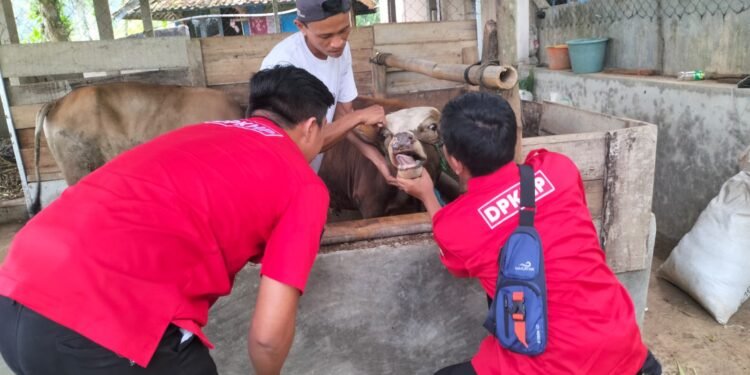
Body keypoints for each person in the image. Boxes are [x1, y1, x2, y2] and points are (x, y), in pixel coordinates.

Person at [0, 66, 336, 375]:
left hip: (14, 293)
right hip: (94, 328)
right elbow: (268, 338)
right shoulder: (303, 184)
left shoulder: (203, 132)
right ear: (310, 126)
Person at [396, 92, 662, 375]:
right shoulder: (559, 169)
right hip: (625, 349)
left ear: (454, 161)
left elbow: (458, 265)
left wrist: (427, 196)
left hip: (553, 366)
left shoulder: (456, 226)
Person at [261, 0, 395, 184]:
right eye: (325, 35)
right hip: (279, 177)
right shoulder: (283, 66)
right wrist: (360, 116)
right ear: (301, 26)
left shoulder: (340, 51)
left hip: (306, 173)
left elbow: (343, 116)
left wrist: (378, 161)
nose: (338, 42)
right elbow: (305, 143)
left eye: (344, 30)